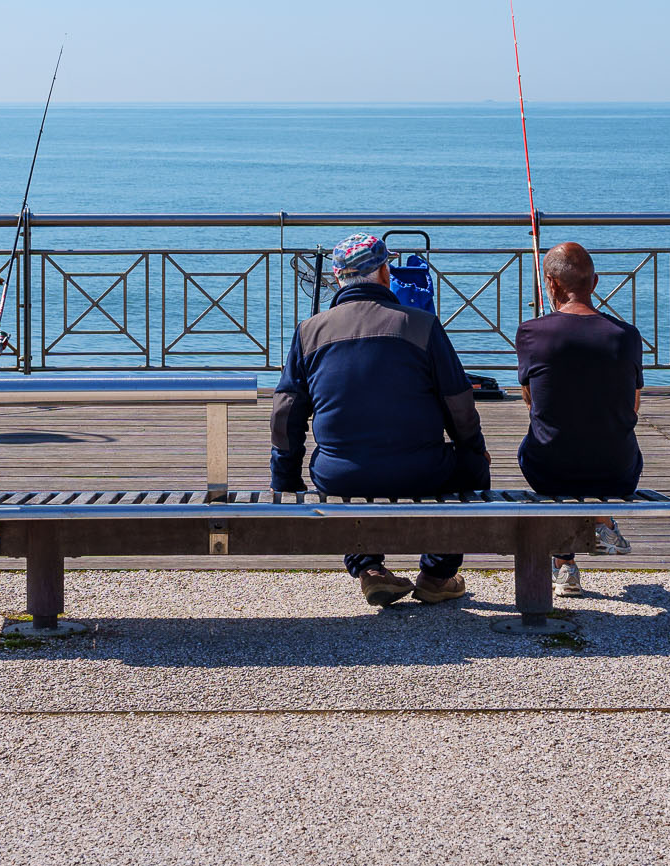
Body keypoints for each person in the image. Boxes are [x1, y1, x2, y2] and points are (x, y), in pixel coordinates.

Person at [271, 233, 491, 608]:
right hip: (422, 471)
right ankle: (438, 575)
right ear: (385, 274)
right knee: (470, 469)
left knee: (342, 467)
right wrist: (474, 452)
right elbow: (459, 404)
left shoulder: (309, 331)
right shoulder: (422, 325)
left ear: (338, 279)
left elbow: (285, 413)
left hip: (338, 475)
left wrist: (285, 478)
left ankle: (369, 569)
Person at [513, 242, 644, 597]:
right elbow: (632, 408)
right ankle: (601, 520)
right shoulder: (627, 336)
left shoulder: (530, 333)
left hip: (548, 469)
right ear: (596, 282)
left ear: (551, 285)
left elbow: (532, 403)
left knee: (547, 448)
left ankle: (564, 565)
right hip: (617, 471)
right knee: (594, 441)